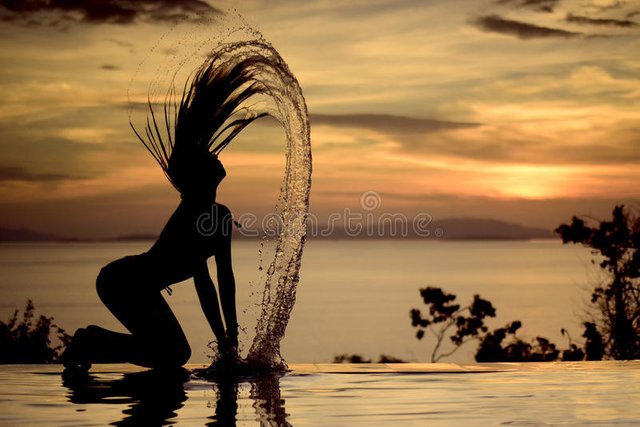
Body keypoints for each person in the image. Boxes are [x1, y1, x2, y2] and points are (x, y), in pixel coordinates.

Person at [63, 49, 267, 372]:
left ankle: (93, 341)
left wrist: (231, 337)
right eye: (209, 158)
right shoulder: (193, 216)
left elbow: (225, 279)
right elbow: (204, 283)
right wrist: (224, 342)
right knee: (170, 354)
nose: (216, 157)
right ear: (200, 175)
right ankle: (91, 342)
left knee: (176, 354)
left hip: (139, 286)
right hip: (122, 282)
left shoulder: (221, 216)